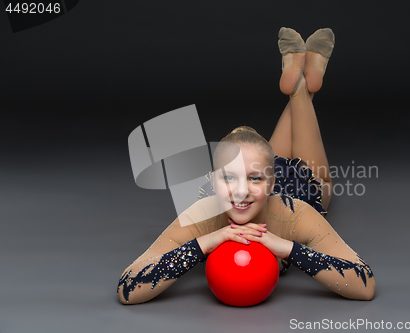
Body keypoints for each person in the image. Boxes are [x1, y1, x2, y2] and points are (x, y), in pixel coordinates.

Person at [117, 27, 376, 305]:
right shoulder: (203, 216)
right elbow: (128, 287)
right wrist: (207, 242)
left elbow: (364, 284)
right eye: (229, 179)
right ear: (213, 180)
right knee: (259, 158)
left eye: (253, 180)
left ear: (271, 182)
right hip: (260, 172)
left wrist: (287, 248)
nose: (240, 192)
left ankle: (300, 88)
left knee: (322, 185)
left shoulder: (296, 215)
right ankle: (303, 85)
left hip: (297, 187)